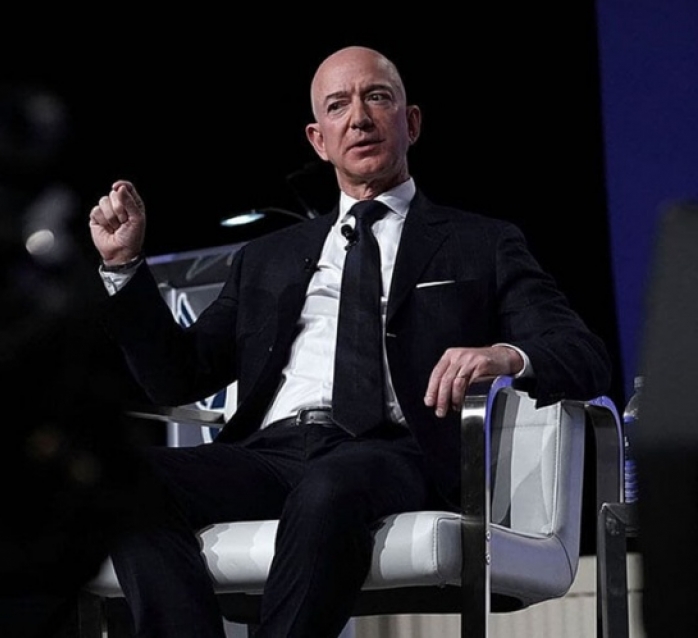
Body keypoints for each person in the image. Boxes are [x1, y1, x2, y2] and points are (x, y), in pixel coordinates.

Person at [87, 45, 611, 638]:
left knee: (328, 488)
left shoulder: (480, 243)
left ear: (411, 122)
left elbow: (583, 353)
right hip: (269, 454)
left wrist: (505, 355)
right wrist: (125, 269)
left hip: (393, 451)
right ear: (319, 139)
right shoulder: (266, 258)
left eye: (376, 98)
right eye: (337, 106)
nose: (358, 118)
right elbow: (177, 376)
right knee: (122, 477)